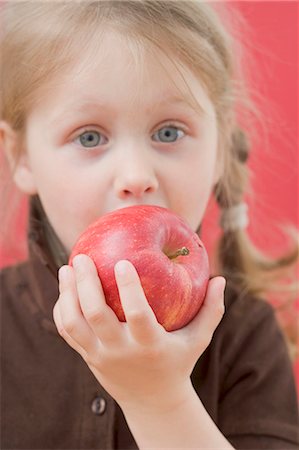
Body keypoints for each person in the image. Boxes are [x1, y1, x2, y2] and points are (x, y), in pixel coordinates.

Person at [0, 1, 298, 449]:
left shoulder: (245, 339)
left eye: (168, 132)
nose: (137, 175)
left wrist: (159, 400)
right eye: (89, 136)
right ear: (20, 156)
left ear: (219, 148)